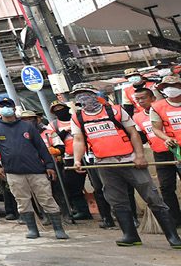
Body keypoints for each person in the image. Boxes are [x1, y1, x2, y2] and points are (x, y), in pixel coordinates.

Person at [70, 82, 181, 248]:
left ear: (96, 95)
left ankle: (173, 237)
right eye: (79, 95)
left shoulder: (116, 111)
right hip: (105, 164)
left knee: (152, 196)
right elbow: (79, 140)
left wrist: (140, 156)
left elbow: (133, 134)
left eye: (86, 93)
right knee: (117, 201)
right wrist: (77, 160)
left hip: (130, 160)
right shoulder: (77, 118)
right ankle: (130, 235)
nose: (83, 98)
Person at [0, 107, 68, 239]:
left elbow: (41, 147)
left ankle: (58, 229)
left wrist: (49, 165)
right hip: (13, 171)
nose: (6, 109)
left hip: (36, 170)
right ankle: (32, 229)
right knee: (22, 201)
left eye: (8, 106)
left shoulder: (27, 127)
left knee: (47, 198)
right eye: (2, 106)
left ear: (13, 109)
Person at [149, 75, 181, 228]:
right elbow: (156, 128)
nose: (171, 88)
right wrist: (166, 138)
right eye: (167, 86)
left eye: (174, 85)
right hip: (168, 149)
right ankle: (175, 220)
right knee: (167, 186)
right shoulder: (157, 106)